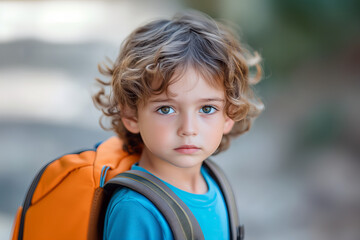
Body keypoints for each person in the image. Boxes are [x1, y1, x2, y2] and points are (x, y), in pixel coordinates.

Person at [93, 10, 263, 240]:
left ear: (229, 115)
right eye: (166, 109)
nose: (188, 128)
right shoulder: (136, 210)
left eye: (207, 109)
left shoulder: (215, 182)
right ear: (131, 116)